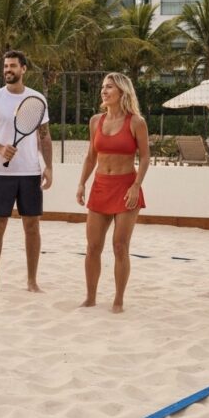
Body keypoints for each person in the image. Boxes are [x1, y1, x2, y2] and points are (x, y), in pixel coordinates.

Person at [0, 50, 53, 293]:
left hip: (30, 173)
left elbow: (45, 136)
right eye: (5, 66)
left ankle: (32, 281)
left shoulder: (37, 99)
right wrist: (0, 149)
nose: (8, 70)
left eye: (13, 66)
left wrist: (48, 166)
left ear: (23, 69)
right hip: (1, 174)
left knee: (32, 226)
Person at [76, 73, 150, 313]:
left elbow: (146, 157)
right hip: (100, 186)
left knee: (120, 245)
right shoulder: (96, 121)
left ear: (122, 92)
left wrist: (136, 186)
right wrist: (81, 183)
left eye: (109, 87)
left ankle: (118, 300)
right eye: (103, 87)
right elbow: (90, 156)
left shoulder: (136, 122)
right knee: (93, 246)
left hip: (126, 187)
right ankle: (90, 297)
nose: (104, 91)